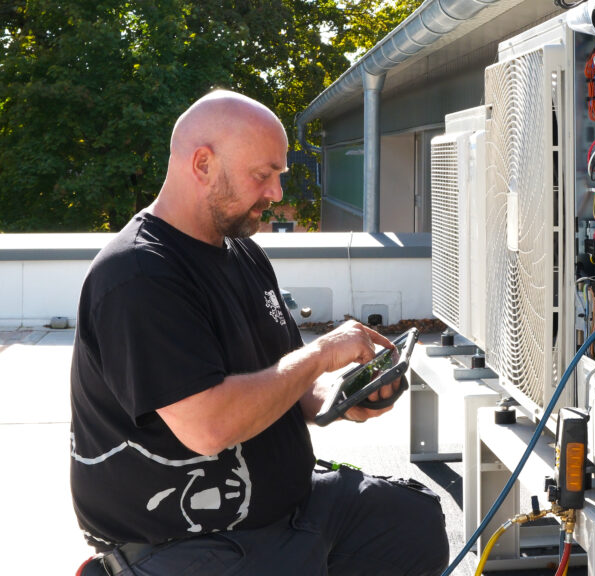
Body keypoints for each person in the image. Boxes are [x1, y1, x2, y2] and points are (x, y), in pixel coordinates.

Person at [69, 90, 449, 575]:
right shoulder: (139, 275)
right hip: (190, 540)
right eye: (262, 175)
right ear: (202, 164)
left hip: (294, 508)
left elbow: (288, 381)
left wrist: (345, 396)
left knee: (413, 527)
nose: (276, 194)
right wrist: (322, 355)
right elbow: (209, 427)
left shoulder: (242, 252)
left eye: (279, 176)